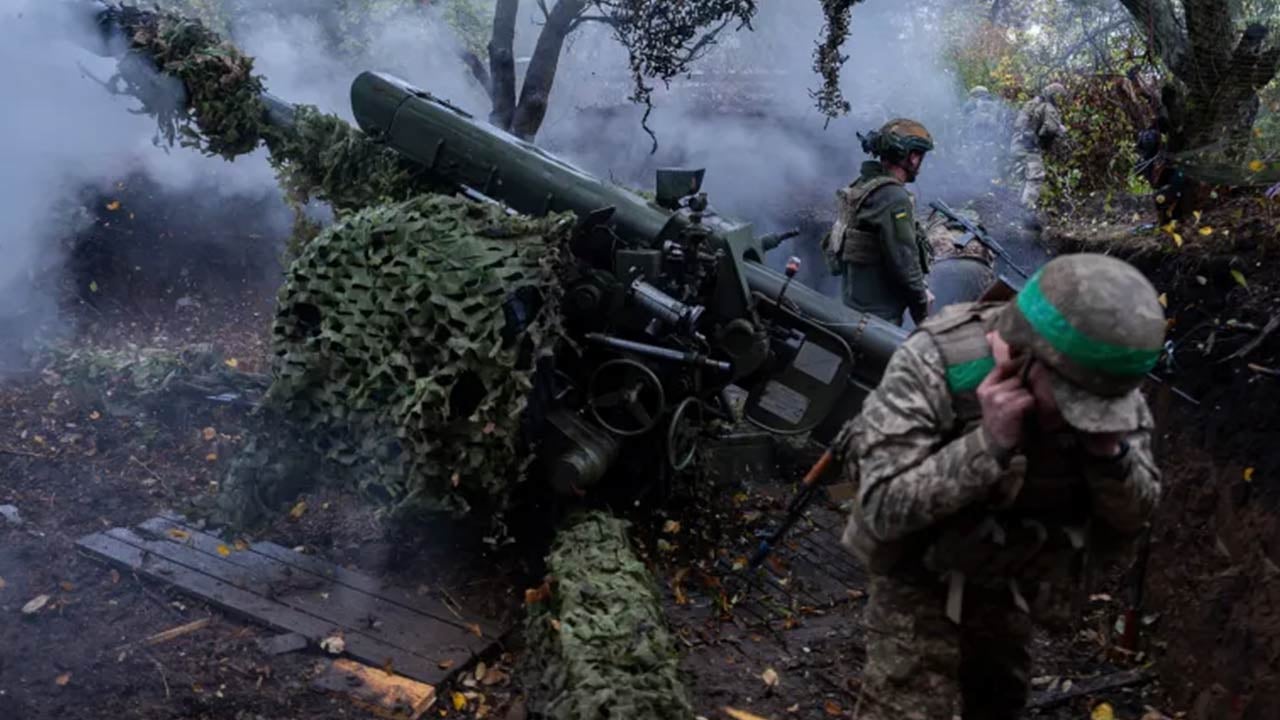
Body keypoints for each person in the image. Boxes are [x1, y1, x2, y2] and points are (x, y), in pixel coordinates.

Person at [840, 253, 1165, 720]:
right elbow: (881, 507)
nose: (1083, 418)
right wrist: (987, 444)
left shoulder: (1102, 372)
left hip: (1013, 579)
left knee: (998, 702)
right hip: (919, 573)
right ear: (1025, 353)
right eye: (1073, 401)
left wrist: (1110, 455)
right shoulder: (938, 361)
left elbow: (1137, 515)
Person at [823, 119, 936, 326]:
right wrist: (922, 310)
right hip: (878, 318)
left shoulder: (864, 185)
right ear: (911, 157)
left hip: (853, 305)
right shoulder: (893, 197)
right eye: (920, 155)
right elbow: (905, 261)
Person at [1009, 82, 1069, 209]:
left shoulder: (1030, 104)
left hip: (1017, 144)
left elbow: (1019, 123)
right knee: (1036, 176)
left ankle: (1014, 211)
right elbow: (1050, 129)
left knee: (1022, 178)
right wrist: (1059, 131)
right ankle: (1027, 210)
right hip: (1030, 147)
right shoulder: (1048, 107)